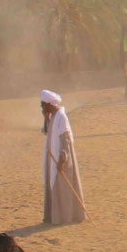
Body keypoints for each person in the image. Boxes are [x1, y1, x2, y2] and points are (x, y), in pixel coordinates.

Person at [40, 90, 86, 225]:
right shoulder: (53, 116)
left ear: (49, 104)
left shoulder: (61, 117)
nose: (42, 108)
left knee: (63, 187)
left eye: (43, 105)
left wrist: (62, 159)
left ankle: (66, 217)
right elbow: (47, 131)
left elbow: (65, 140)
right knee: (53, 185)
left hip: (61, 158)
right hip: (52, 157)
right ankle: (54, 216)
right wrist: (45, 118)